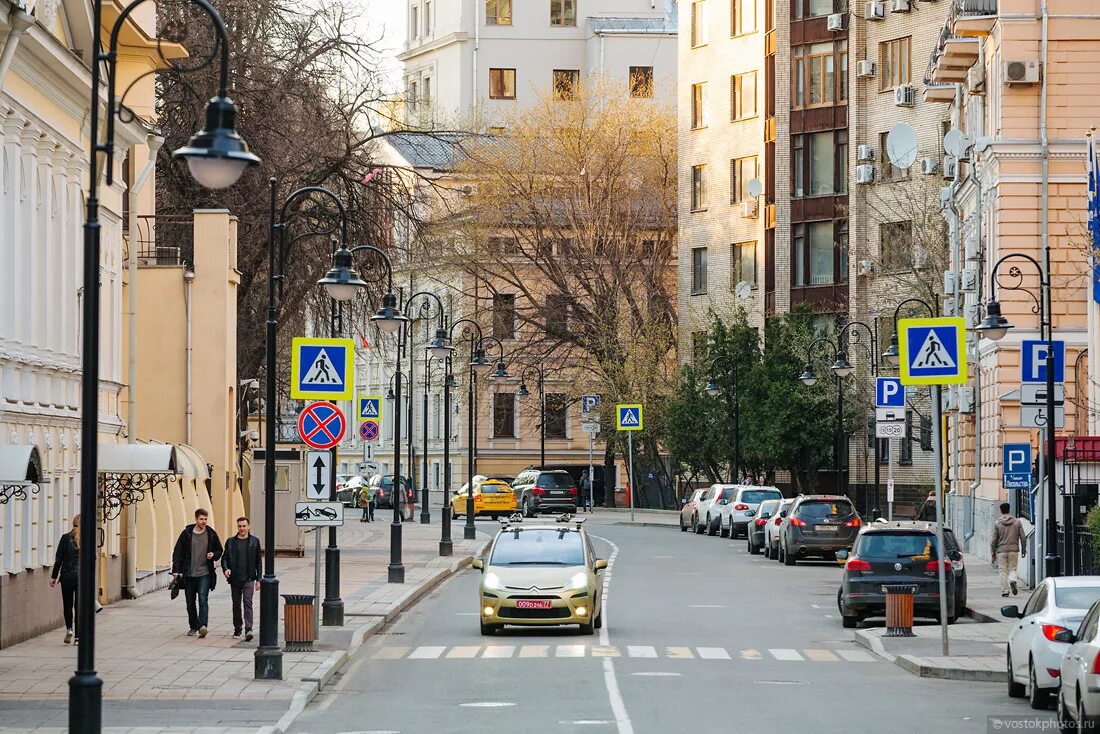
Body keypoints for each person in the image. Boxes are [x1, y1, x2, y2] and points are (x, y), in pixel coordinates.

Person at [172, 508, 223, 638]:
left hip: (205, 573)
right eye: (201, 519)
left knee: (202, 599)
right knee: (190, 602)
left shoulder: (211, 533)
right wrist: (176, 570)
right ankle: (193, 626)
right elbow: (178, 552)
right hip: (189, 574)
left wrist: (214, 555)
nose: (204, 522)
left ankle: (203, 626)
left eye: (205, 519)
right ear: (196, 519)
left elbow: (219, 549)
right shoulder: (187, 533)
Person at [221, 516, 261, 641]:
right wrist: (226, 569)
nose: (242, 528)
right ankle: (237, 628)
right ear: (237, 527)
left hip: (249, 578)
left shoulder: (254, 541)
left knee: (248, 603)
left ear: (248, 526)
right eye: (240, 526)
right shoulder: (231, 541)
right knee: (236, 604)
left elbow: (258, 561)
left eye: (244, 526)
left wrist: (259, 579)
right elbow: (224, 558)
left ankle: (249, 629)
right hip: (235, 579)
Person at [50, 515, 81, 644]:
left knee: (67, 605)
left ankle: (69, 629)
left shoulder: (64, 538)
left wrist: (53, 577)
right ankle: (78, 638)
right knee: (79, 606)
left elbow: (58, 560)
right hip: (81, 578)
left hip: (66, 577)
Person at [992, 502, 1026, 597]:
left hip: (1001, 550)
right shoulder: (1017, 522)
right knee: (1013, 568)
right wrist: (1023, 549)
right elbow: (1023, 537)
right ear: (1009, 510)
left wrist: (993, 552)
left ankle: (1005, 591)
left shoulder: (998, 523)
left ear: (1001, 510)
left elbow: (994, 539)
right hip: (1013, 550)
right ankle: (1012, 580)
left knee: (1003, 570)